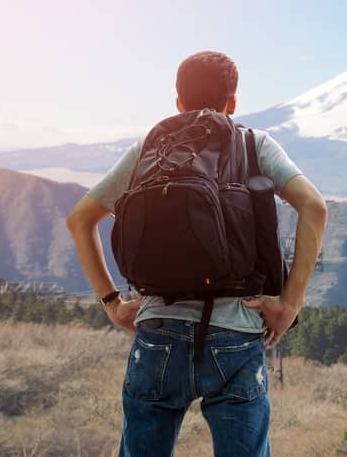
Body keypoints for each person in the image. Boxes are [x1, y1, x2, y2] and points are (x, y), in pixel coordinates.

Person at [66, 50, 327, 457]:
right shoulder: (252, 143)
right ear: (233, 102)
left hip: (158, 331)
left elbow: (80, 220)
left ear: (178, 101)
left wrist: (113, 303)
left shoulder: (150, 150)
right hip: (236, 333)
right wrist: (290, 303)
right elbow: (315, 206)